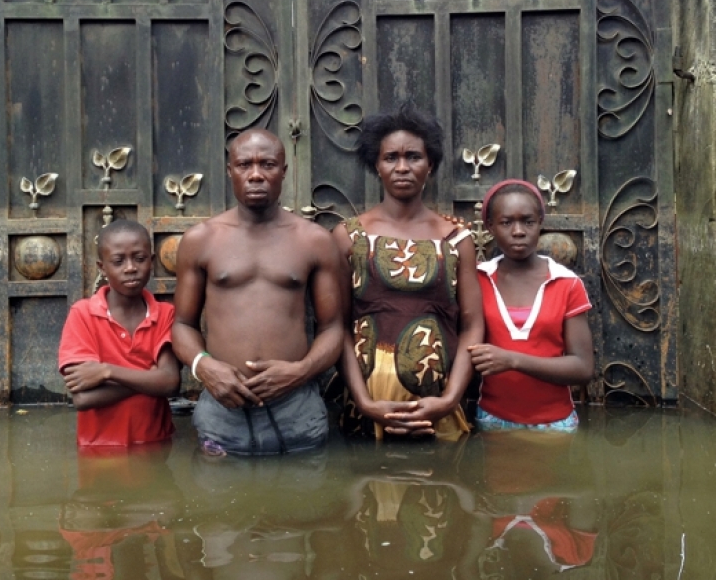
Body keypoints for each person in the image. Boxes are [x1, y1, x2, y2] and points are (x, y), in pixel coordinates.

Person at [172, 128, 345, 456]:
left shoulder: (314, 240)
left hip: (297, 406)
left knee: (305, 501)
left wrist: (301, 371)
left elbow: (333, 328)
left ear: (283, 171)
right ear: (229, 171)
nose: (255, 175)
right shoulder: (201, 240)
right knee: (218, 500)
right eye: (243, 165)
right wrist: (204, 367)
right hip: (223, 407)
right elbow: (182, 325)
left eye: (267, 164)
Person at [332, 104, 483, 440]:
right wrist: (364, 401)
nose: (402, 167)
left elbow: (473, 327)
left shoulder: (457, 239)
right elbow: (337, 328)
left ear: (430, 165)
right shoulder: (348, 236)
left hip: (439, 414)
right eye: (391, 158)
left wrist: (449, 399)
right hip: (366, 416)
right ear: (377, 165)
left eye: (413, 156)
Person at [468, 180, 594, 432]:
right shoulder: (477, 280)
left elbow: (583, 367)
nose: (518, 231)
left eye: (528, 221)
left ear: (540, 223)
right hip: (491, 420)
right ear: (490, 227)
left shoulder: (567, 283)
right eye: (506, 222)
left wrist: (513, 360)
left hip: (556, 425)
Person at [58, 219, 180, 447]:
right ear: (102, 267)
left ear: (152, 262)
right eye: (118, 261)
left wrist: (106, 371)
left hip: (154, 444)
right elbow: (83, 399)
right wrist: (149, 377)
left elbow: (170, 383)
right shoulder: (82, 314)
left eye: (140, 258)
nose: (131, 267)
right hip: (98, 447)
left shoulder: (165, 314)